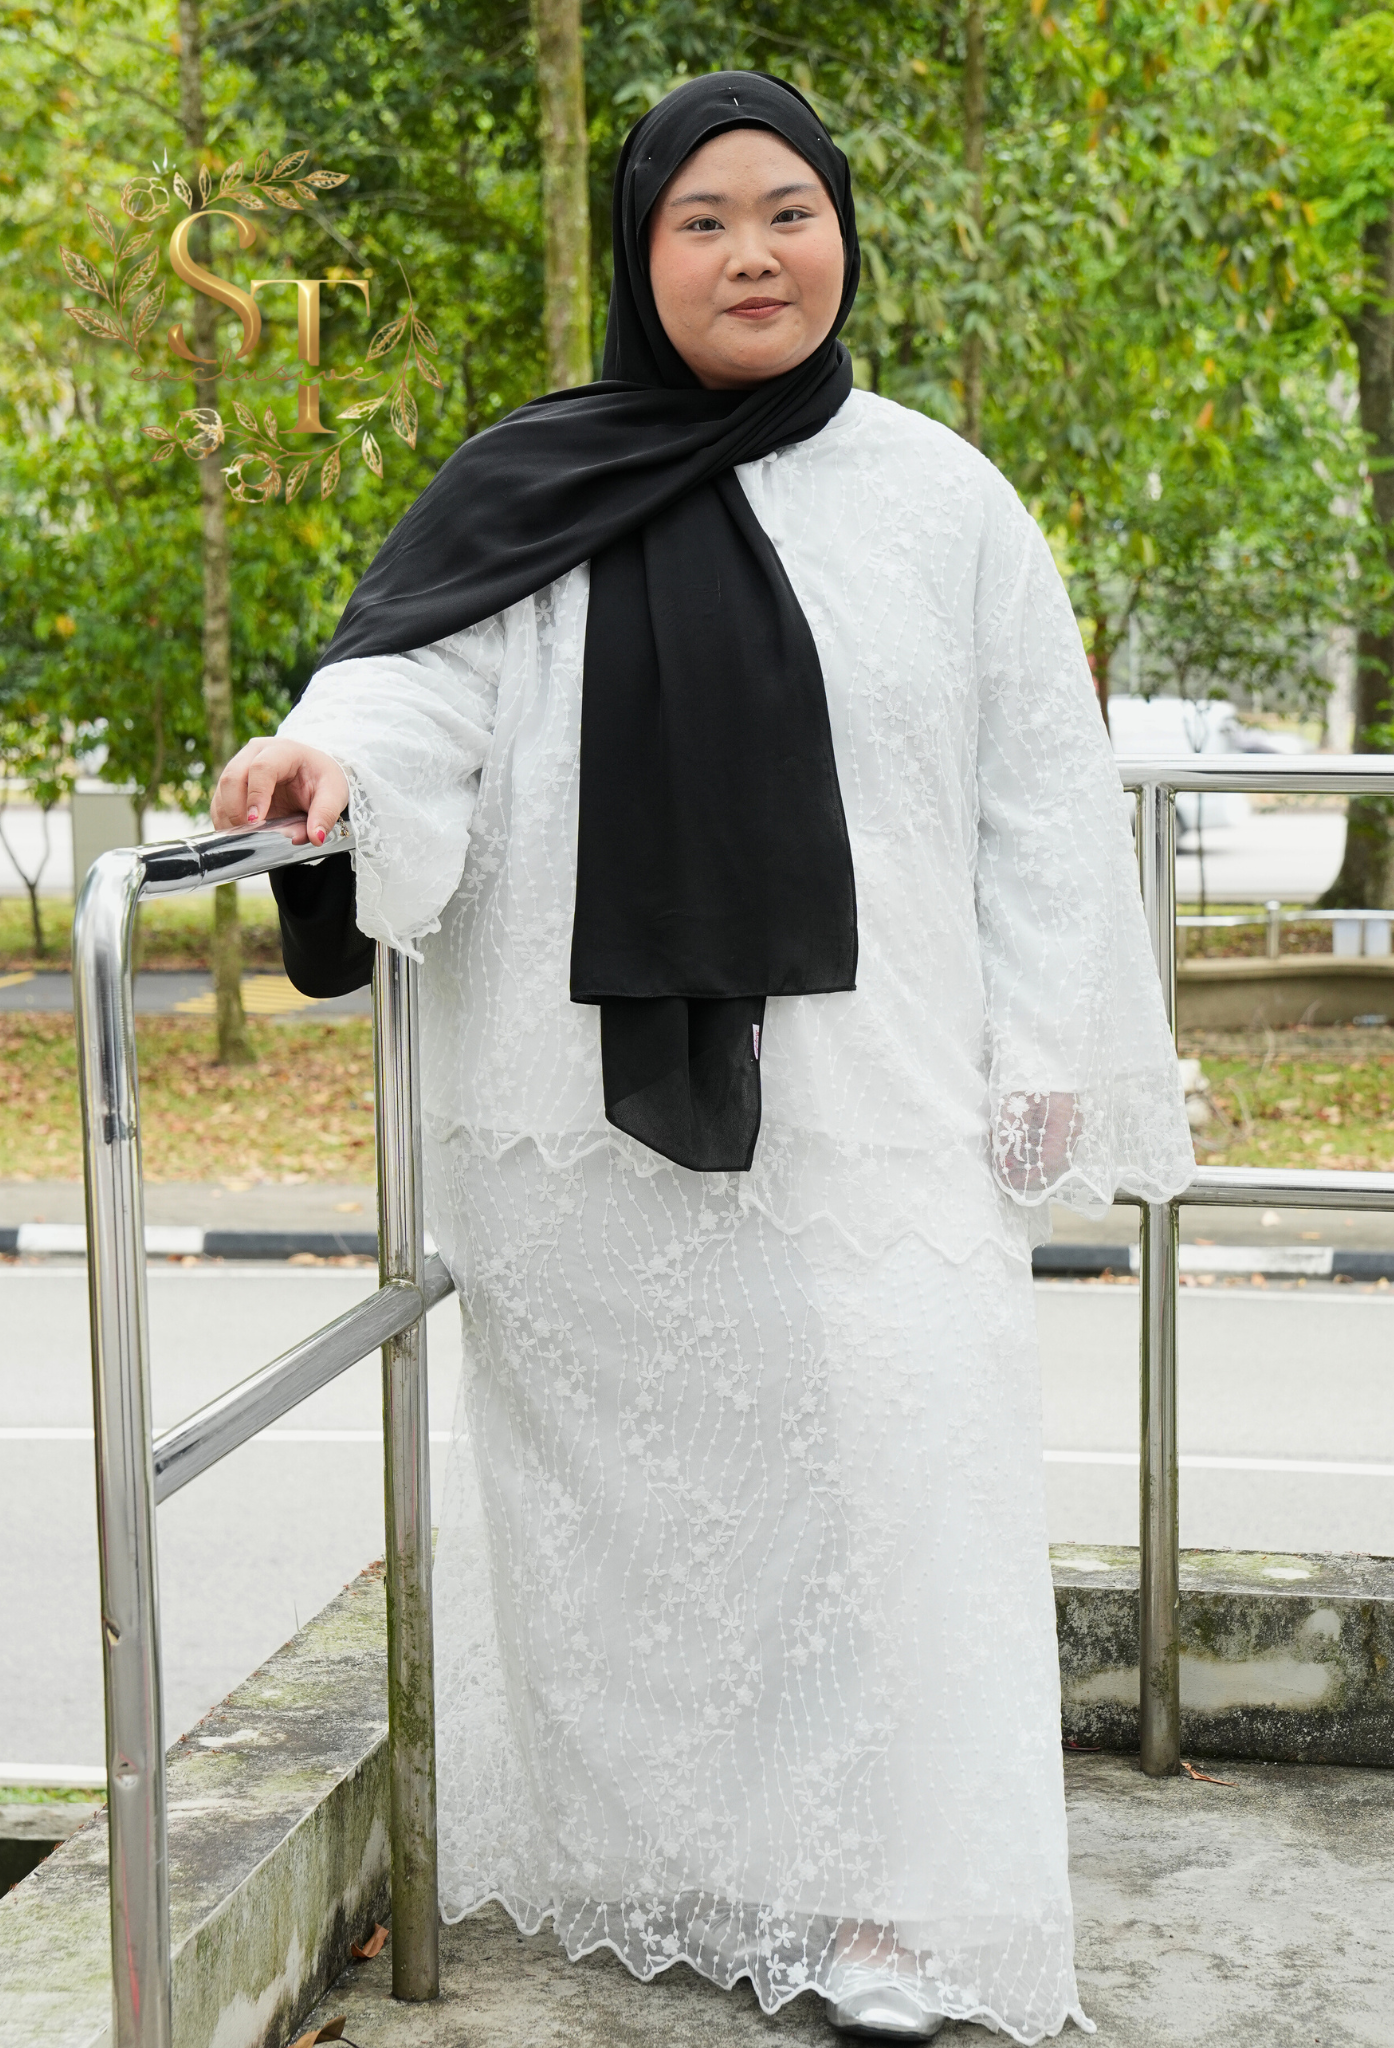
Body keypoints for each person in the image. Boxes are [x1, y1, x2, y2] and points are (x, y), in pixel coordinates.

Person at [213, 71, 1192, 2045]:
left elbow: (1037, 791)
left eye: (789, 213)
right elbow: (413, 690)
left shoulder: (941, 499)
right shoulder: (533, 482)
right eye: (704, 222)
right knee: (670, 1523)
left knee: (908, 1482)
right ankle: (723, 1872)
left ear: (844, 237)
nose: (755, 255)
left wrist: (1042, 1037)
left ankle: (913, 1905)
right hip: (584, 1127)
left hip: (884, 1095)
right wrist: (328, 767)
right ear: (639, 254)